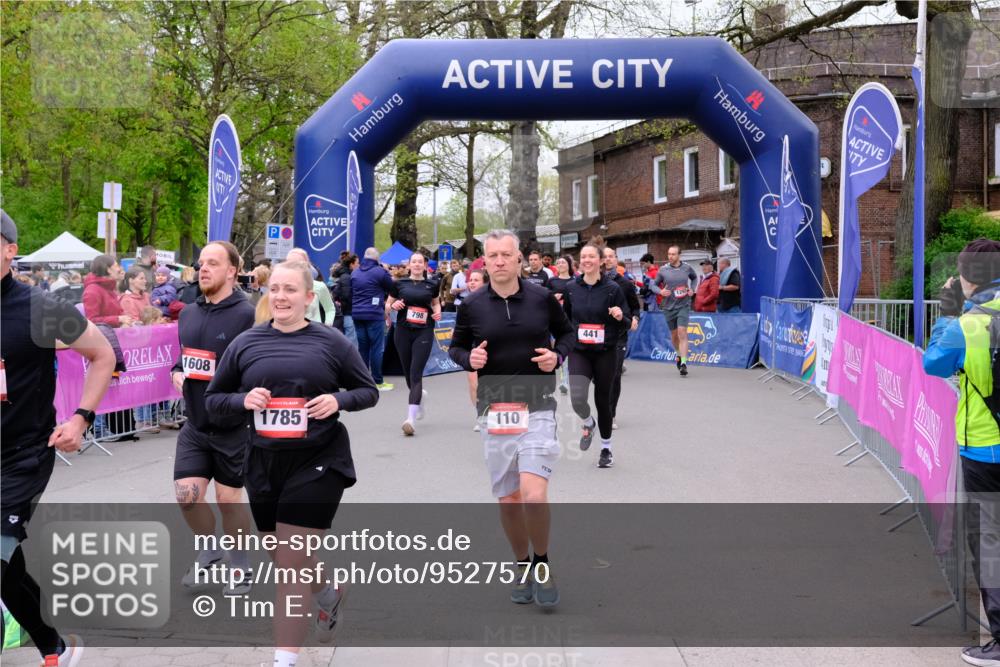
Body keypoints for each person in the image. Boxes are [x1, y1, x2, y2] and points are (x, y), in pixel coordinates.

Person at [205, 260, 378, 665]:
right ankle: (329, 596)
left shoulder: (331, 341)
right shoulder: (245, 343)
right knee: (283, 556)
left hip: (320, 460)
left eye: (290, 290)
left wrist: (338, 399)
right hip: (264, 463)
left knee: (290, 563)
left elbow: (367, 390)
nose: (280, 297)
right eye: (275, 289)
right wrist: (241, 401)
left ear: (308, 296)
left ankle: (284, 660)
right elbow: (214, 400)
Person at [1, 210, 116, 667]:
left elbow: (103, 354)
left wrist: (80, 419)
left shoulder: (40, 308)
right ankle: (54, 646)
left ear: (11, 250)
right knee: (8, 567)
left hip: (22, 457)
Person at [449, 229, 574, 608]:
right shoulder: (471, 305)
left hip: (537, 407)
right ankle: (521, 563)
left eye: (506, 255)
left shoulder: (541, 298)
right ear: (484, 262)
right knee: (509, 500)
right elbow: (456, 346)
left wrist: (558, 357)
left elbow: (566, 335)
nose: (499, 261)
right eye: (492, 256)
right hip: (495, 411)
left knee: (534, 495)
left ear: (520, 259)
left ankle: (542, 562)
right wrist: (468, 359)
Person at [922, 238, 1000, 667]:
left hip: (986, 448)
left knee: (989, 542)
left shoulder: (968, 323)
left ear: (967, 277)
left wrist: (950, 310)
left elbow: (933, 363)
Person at [168, 241, 258, 597]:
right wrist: (177, 371)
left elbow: (259, 366)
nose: (203, 269)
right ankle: (209, 548)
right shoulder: (188, 313)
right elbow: (185, 358)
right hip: (196, 424)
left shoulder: (248, 315)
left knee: (229, 499)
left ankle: (240, 564)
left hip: (234, 425)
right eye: (201, 263)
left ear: (232, 270)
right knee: (186, 496)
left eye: (213, 263)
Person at [563, 241, 627, 468]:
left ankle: (606, 449)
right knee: (577, 398)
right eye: (584, 257)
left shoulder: (613, 289)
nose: (587, 261)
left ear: (601, 261)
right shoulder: (571, 288)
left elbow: (626, 321)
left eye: (592, 257)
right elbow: (565, 319)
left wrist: (620, 316)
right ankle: (588, 423)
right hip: (579, 351)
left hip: (605, 352)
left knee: (603, 402)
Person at [386, 252, 442, 435]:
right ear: (409, 265)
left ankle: (410, 419)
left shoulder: (432, 284)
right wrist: (393, 307)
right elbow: (388, 305)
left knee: (416, 374)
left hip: (424, 331)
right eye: (414, 262)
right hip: (402, 331)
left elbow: (436, 304)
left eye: (420, 262)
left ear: (425, 265)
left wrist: (438, 312)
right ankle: (420, 399)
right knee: (409, 375)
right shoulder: (399, 284)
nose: (417, 264)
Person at [602, 246, 640, 430]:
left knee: (614, 375)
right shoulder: (594, 282)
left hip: (619, 335)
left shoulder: (625, 284)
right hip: (598, 336)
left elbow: (635, 306)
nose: (608, 259)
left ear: (616, 259)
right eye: (605, 257)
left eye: (611, 257)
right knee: (601, 377)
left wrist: (634, 318)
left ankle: (611, 413)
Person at [351, 247, 395, 391]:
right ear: (377, 258)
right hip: (374, 314)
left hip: (357, 314)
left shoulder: (355, 272)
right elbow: (392, 288)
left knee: (363, 348)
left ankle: (362, 382)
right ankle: (378, 381)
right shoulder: (380, 272)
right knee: (376, 348)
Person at [649, 245, 697, 376]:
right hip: (669, 307)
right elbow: (652, 285)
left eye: (673, 254)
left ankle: (684, 364)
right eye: (669, 254)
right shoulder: (663, 270)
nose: (670, 257)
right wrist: (661, 291)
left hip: (684, 304)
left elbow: (694, 278)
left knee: (682, 331)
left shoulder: (686, 267)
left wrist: (692, 289)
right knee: (675, 335)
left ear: (679, 255)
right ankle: (678, 355)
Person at [286, 248, 336, 327]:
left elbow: (330, 309)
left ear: (306, 265)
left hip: (314, 335)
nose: (293, 267)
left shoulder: (319, 286)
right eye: (289, 264)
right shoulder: (280, 289)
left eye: (298, 263)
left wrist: (327, 325)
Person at [463, 268, 487, 431]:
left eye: (476, 280)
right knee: (473, 382)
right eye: (470, 280)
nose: (472, 282)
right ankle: (480, 415)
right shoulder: (466, 303)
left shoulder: (492, 300)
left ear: (485, 283)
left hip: (491, 344)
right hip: (472, 346)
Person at [549, 256, 576, 396]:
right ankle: (563, 380)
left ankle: (568, 380)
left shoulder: (575, 280)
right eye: (558, 262)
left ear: (569, 265)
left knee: (571, 350)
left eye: (563, 262)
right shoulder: (552, 281)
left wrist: (566, 298)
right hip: (555, 319)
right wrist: (554, 297)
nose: (560, 264)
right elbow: (545, 298)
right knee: (559, 349)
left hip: (571, 319)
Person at [82, 254, 133, 327]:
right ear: (108, 270)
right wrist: (118, 319)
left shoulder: (108, 287)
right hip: (104, 336)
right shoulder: (92, 291)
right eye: (117, 266)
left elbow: (118, 313)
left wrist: (127, 320)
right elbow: (92, 320)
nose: (120, 269)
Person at [331, 254, 358, 346]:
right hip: (347, 313)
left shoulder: (344, 276)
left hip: (346, 312)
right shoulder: (347, 277)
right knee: (351, 340)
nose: (359, 265)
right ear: (351, 264)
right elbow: (346, 295)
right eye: (357, 263)